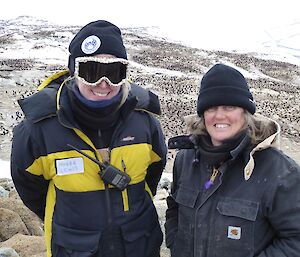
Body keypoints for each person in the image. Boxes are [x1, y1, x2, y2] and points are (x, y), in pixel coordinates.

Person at [10, 20, 167, 257]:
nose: (103, 83)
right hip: (75, 249)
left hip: (138, 244)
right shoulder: (38, 129)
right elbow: (29, 185)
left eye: (114, 72)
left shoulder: (144, 122)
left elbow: (154, 172)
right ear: (73, 72)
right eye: (91, 71)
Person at [165, 63, 300, 257]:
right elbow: (174, 209)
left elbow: (295, 238)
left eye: (229, 106)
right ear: (203, 114)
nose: (219, 115)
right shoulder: (185, 160)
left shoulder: (280, 172)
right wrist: (175, 243)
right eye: (211, 107)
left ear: (245, 113)